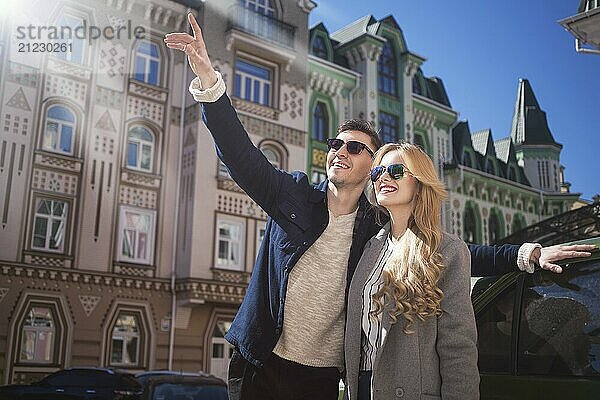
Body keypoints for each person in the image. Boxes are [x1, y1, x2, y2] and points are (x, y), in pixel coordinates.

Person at [164, 14, 596, 400]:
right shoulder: (292, 194)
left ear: (372, 164)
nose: (339, 152)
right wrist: (206, 77)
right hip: (260, 361)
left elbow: (453, 253)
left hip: (321, 377)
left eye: (354, 148)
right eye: (335, 144)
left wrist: (529, 254)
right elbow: (239, 154)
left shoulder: (376, 230)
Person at [344, 143, 478, 399]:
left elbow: (458, 347)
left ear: (419, 182)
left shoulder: (447, 250)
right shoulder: (371, 248)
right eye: (377, 172)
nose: (383, 177)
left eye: (395, 170)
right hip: (362, 388)